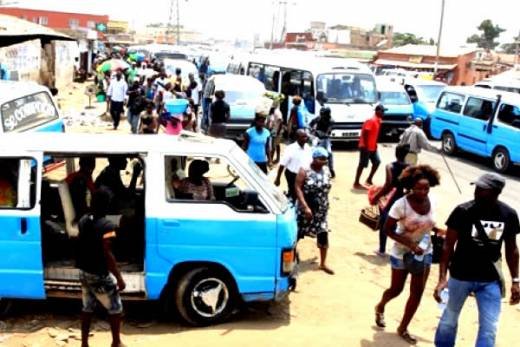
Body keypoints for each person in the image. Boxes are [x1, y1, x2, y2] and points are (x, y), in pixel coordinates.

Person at [433, 173, 520, 347]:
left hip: (490, 280)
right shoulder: (462, 211)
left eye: (482, 189)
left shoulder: (508, 214)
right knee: (449, 320)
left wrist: (516, 280)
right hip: (459, 276)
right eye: (477, 187)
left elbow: (512, 249)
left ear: (496, 192)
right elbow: (448, 246)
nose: (477, 191)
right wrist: (442, 278)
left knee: (489, 328)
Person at [375, 165, 443, 345]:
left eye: (426, 188)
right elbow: (387, 229)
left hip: (424, 252)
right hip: (401, 252)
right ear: (411, 187)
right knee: (396, 290)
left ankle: (403, 327)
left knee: (417, 293)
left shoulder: (433, 201)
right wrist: (410, 244)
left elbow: (428, 222)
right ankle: (381, 306)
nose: (423, 192)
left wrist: (438, 230)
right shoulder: (401, 204)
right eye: (419, 188)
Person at [76, 188, 125, 347]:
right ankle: (116, 342)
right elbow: (108, 254)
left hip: (84, 271)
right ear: (107, 205)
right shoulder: (108, 226)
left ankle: (84, 343)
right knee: (115, 308)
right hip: (99, 272)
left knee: (87, 307)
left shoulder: (83, 220)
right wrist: (119, 278)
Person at [295, 146, 334, 275]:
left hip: (321, 209)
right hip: (305, 209)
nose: (325, 161)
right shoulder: (304, 170)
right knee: (297, 234)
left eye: (326, 159)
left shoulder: (326, 170)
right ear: (314, 158)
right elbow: (298, 188)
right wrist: (305, 207)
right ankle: (291, 257)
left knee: (323, 233)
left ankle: (323, 263)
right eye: (322, 159)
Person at [370, 144, 411, 257]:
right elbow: (410, 187)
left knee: (385, 221)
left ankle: (382, 250)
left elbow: (388, 185)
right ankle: (403, 248)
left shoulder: (390, 166)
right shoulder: (410, 168)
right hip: (403, 197)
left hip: (392, 197)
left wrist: (376, 196)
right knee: (403, 224)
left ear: (395, 153)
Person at [274, 129, 312, 201]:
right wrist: (278, 178)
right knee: (295, 194)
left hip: (304, 175)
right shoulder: (290, 148)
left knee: (302, 194)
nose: (305, 139)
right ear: (297, 138)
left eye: (306, 137)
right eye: (303, 137)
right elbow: (282, 164)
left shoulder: (308, 148)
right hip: (292, 175)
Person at [353, 104, 385, 189]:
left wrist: (375, 144)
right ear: (377, 111)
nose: (383, 113)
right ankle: (356, 182)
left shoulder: (378, 120)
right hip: (366, 146)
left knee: (377, 162)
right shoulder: (371, 120)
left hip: (372, 146)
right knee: (362, 164)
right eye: (382, 111)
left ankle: (369, 179)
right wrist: (366, 146)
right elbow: (366, 133)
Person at [66, 156, 96, 221]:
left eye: (93, 164)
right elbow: (82, 205)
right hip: (81, 216)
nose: (92, 167)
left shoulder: (73, 176)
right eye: (89, 164)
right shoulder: (80, 180)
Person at [309, 106, 335, 178]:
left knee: (329, 153)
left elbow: (328, 132)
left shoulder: (331, 121)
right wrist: (312, 130)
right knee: (313, 152)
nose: (322, 116)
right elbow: (310, 124)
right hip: (316, 138)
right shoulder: (318, 118)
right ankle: (311, 168)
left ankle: (331, 169)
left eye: (323, 114)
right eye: (321, 114)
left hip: (325, 139)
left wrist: (321, 133)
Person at [267, 100, 284, 164]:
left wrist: (278, 132)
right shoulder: (272, 112)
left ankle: (271, 160)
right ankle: (276, 158)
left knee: (274, 145)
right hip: (273, 131)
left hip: (276, 131)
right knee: (276, 144)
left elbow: (281, 122)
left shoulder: (277, 112)